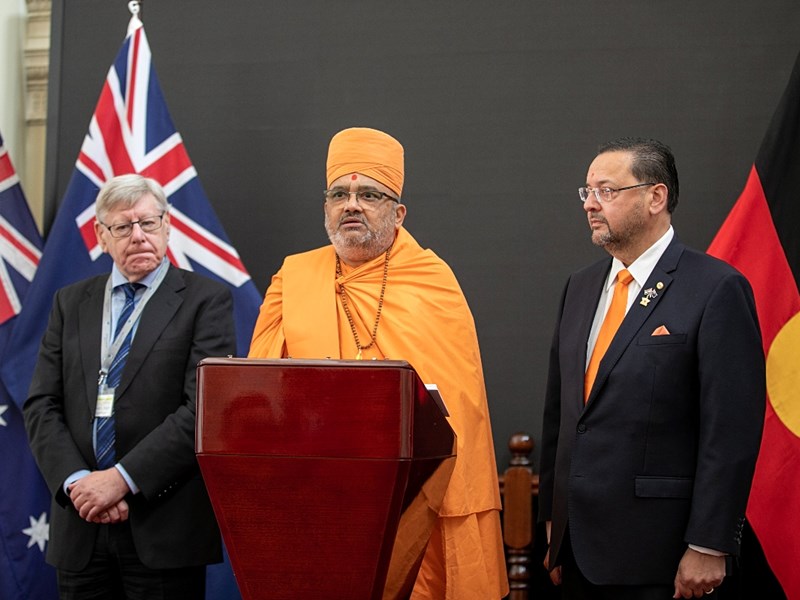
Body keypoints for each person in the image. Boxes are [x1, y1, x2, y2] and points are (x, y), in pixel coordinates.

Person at [248, 126, 508, 599]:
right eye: (339, 194)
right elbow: (260, 389)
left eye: (369, 193)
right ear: (325, 207)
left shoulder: (432, 282)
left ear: (399, 212)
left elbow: (459, 413)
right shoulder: (294, 275)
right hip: (318, 497)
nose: (351, 204)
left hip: (413, 500)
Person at [538, 138, 765, 599]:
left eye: (606, 190)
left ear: (655, 197)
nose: (590, 204)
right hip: (576, 551)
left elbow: (732, 430)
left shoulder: (716, 287)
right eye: (586, 192)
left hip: (662, 556)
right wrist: (553, 524)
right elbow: (560, 417)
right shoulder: (579, 288)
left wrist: (710, 542)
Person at [24, 174, 236, 599]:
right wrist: (79, 483)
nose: (138, 236)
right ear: (102, 236)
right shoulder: (70, 303)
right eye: (123, 226)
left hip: (162, 525)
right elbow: (41, 405)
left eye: (148, 223)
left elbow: (202, 411)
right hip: (81, 523)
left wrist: (120, 480)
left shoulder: (205, 301)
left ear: (168, 226)